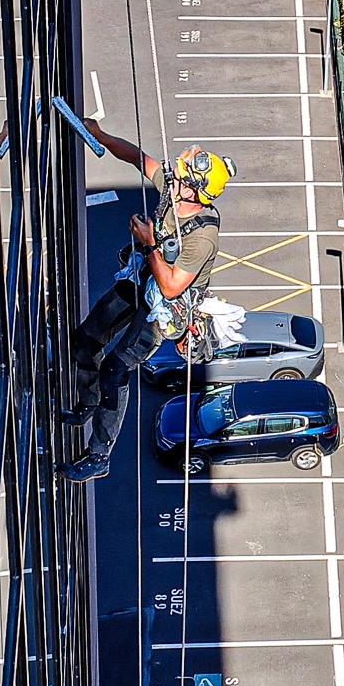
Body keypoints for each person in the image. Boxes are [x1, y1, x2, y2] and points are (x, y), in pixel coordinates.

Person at [59, 126, 236, 484]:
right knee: (86, 339)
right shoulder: (176, 193)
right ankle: (89, 402)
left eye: (181, 179)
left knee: (116, 368)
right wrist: (102, 136)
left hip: (163, 308)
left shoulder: (202, 236)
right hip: (144, 278)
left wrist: (150, 241)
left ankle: (98, 455)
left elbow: (171, 287)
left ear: (195, 191)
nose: (172, 180)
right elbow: (140, 159)